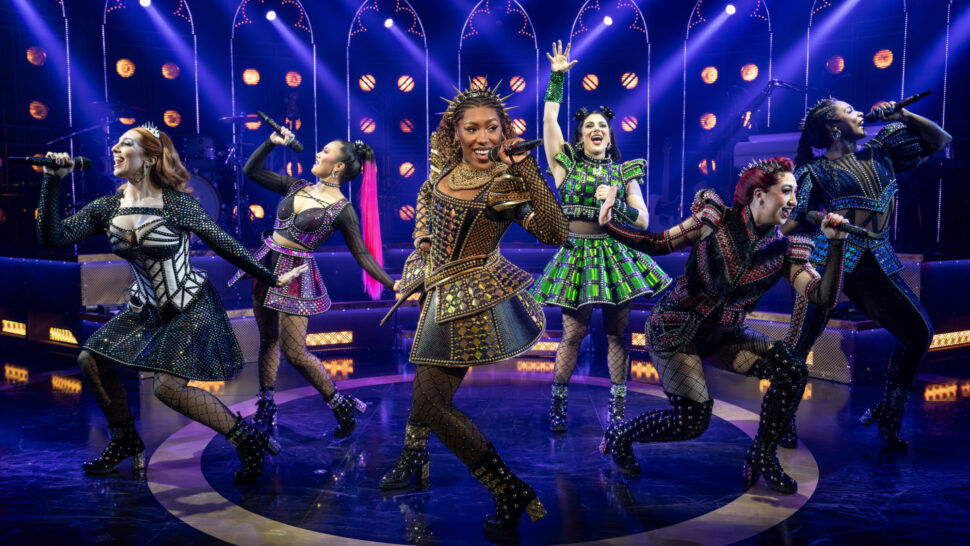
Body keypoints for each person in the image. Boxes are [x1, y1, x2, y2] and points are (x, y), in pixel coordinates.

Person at [38, 123, 304, 483]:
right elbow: (54, 237)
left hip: (188, 307)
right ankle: (125, 441)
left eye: (125, 144)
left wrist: (272, 277)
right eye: (116, 144)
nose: (115, 149)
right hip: (145, 309)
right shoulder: (107, 208)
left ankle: (247, 439)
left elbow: (224, 243)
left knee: (167, 388)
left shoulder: (178, 205)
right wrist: (52, 181)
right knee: (91, 360)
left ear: (150, 158)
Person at [379, 82, 568, 538]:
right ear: (456, 132)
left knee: (432, 401)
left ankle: (509, 491)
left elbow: (556, 232)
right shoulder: (444, 171)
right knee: (427, 386)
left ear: (504, 131)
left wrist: (528, 171)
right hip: (435, 290)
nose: (483, 138)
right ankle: (414, 457)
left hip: (471, 298)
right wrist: (424, 247)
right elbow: (427, 202)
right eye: (472, 129)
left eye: (492, 128)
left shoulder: (504, 183)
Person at [598, 158, 848, 494]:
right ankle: (621, 434)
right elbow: (658, 243)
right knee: (691, 421)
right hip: (676, 329)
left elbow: (822, 296)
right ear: (759, 194)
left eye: (795, 193)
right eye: (787, 191)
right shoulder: (713, 219)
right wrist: (609, 224)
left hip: (724, 336)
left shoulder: (785, 250)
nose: (794, 201)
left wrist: (836, 244)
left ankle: (762, 454)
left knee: (791, 370)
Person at [782, 98, 951, 449]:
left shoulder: (883, 150)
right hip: (829, 260)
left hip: (876, 260)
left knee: (919, 333)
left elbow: (941, 140)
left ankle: (889, 414)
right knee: (801, 342)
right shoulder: (813, 171)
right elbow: (790, 225)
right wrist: (815, 219)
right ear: (833, 127)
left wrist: (904, 115)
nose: (860, 113)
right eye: (850, 111)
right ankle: (780, 418)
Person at [532, 41, 671, 432]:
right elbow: (549, 123)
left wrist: (616, 204)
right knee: (572, 335)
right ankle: (558, 406)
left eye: (602, 127)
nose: (596, 129)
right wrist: (557, 79)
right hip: (576, 254)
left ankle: (617, 410)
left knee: (616, 335)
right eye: (589, 126)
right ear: (580, 137)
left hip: (615, 256)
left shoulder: (624, 172)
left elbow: (643, 220)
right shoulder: (566, 165)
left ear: (609, 137)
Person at [228, 127, 394, 437]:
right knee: (268, 340)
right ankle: (266, 403)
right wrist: (270, 143)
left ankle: (339, 403)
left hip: (296, 277)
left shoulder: (342, 210)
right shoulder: (297, 186)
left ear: (338, 166)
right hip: (266, 263)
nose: (317, 153)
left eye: (325, 151)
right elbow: (252, 171)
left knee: (294, 351)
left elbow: (362, 254)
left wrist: (391, 283)